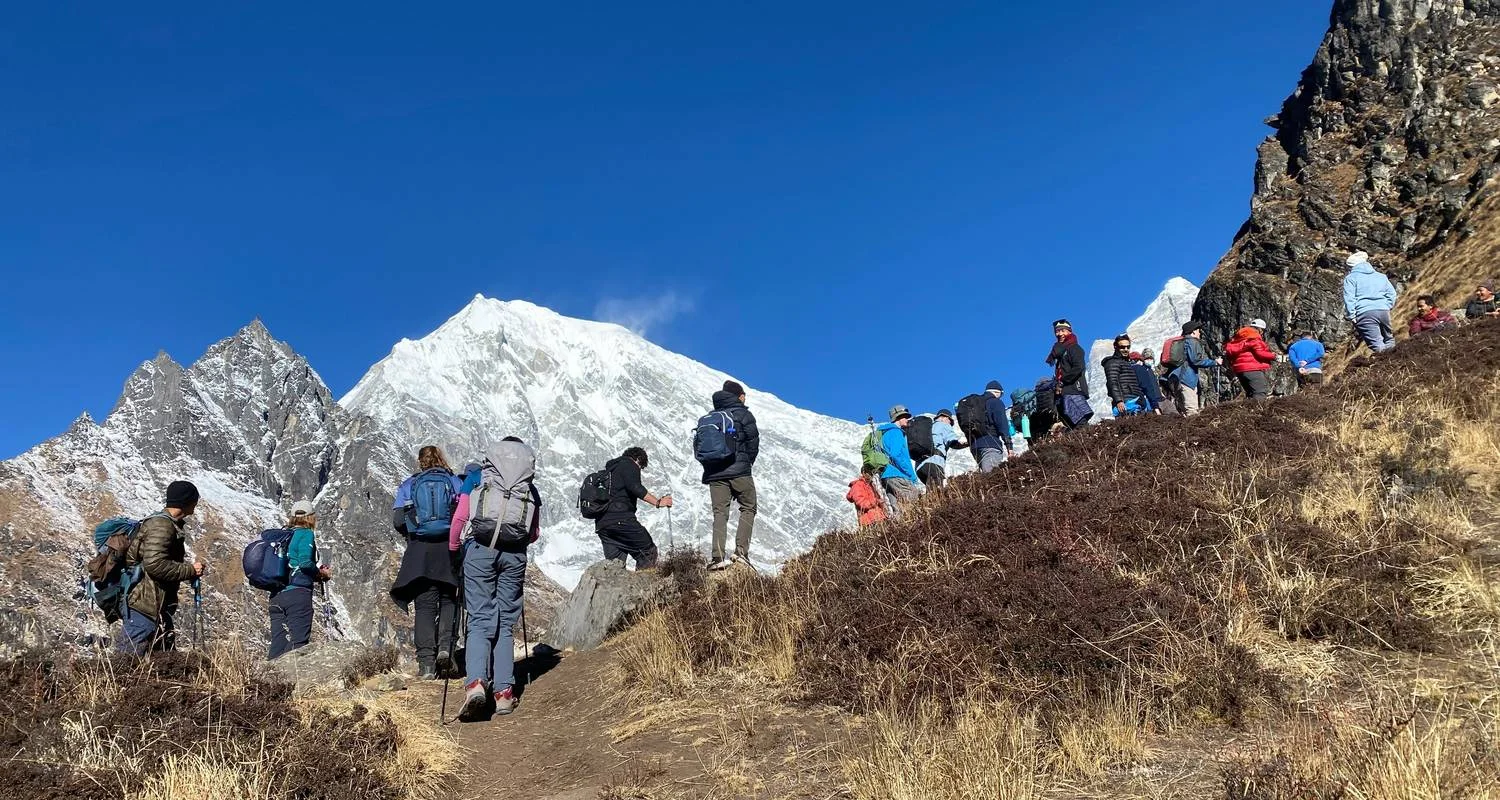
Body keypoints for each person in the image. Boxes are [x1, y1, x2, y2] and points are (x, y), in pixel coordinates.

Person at [451, 437, 541, 720]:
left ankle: (476, 684)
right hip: (514, 556)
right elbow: (534, 533)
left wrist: (454, 548)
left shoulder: (479, 477)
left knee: (480, 618)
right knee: (504, 622)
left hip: (480, 550)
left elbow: (460, 517)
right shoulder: (528, 487)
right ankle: (504, 693)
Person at [391, 445, 463, 680]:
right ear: (441, 458)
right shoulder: (454, 482)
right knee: (449, 600)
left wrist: (413, 532)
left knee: (424, 606)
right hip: (449, 549)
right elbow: (464, 514)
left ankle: (426, 666)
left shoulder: (409, 484)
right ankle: (446, 648)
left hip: (420, 552)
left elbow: (398, 520)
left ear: (420, 461)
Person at [118, 480, 206, 655]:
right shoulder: (162, 526)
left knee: (164, 660)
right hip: (145, 605)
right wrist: (190, 570)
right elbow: (155, 564)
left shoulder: (165, 523)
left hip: (154, 606)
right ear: (186, 501)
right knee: (127, 660)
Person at [702, 380, 759, 572]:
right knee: (748, 507)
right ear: (739, 396)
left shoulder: (712, 416)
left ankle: (717, 557)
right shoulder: (743, 414)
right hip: (739, 470)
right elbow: (753, 443)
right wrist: (746, 464)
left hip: (715, 473)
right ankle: (741, 553)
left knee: (720, 513)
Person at [268, 500, 331, 659]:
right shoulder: (305, 534)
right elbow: (304, 563)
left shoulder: (283, 536)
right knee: (298, 644)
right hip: (297, 595)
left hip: (276, 596)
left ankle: (270, 674)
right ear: (311, 517)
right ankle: (293, 675)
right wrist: (320, 573)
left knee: (278, 645)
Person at [596, 447, 673, 570]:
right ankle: (643, 583)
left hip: (603, 526)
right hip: (621, 520)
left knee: (614, 566)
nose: (639, 470)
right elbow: (635, 487)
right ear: (638, 459)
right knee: (648, 551)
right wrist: (658, 502)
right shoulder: (629, 464)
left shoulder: (610, 470)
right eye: (641, 467)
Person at [1343, 251, 1397, 353]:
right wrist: (1387, 306)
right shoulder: (1381, 276)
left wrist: (1352, 316)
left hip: (1364, 312)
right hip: (1383, 310)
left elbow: (1349, 298)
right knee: (1389, 338)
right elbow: (1392, 294)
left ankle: (1386, 361)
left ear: (1352, 267)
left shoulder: (1350, 278)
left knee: (1376, 343)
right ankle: (1396, 358)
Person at [1168, 321, 1221, 416]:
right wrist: (1214, 362)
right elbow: (1195, 360)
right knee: (1192, 410)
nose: (1200, 333)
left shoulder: (1182, 343)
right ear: (1193, 332)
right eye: (1198, 331)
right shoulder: (1192, 341)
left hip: (1175, 377)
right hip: (1186, 379)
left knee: (1183, 411)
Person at [1046, 319, 1092, 428]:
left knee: (1080, 420)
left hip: (1074, 389)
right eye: (1057, 331)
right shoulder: (1060, 352)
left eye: (1063, 330)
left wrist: (1062, 381)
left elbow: (1078, 367)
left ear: (1069, 331)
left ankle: (1089, 437)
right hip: (1064, 391)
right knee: (1071, 423)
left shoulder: (1074, 348)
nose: (1059, 334)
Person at [876, 406, 921, 516]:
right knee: (915, 501)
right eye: (904, 417)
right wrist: (910, 474)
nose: (907, 419)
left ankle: (900, 526)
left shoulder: (884, 434)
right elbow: (896, 455)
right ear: (898, 418)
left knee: (898, 510)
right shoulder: (896, 432)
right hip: (898, 474)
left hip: (886, 476)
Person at [1225, 319, 1280, 399]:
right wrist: (1274, 356)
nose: (1262, 333)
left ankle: (1250, 407)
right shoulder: (1254, 337)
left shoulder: (1239, 338)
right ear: (1260, 329)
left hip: (1239, 370)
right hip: (1252, 369)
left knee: (1250, 394)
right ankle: (1258, 407)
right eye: (1263, 331)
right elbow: (1260, 353)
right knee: (1259, 392)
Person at [968, 382, 1014, 472]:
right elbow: (1002, 424)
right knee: (992, 475)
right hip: (991, 444)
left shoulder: (976, 404)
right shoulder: (995, 402)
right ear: (998, 392)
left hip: (975, 446)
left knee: (985, 475)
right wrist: (1009, 446)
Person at [916, 409, 967, 489]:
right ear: (945, 417)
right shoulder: (943, 425)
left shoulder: (927, 427)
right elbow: (954, 442)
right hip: (934, 463)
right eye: (950, 421)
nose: (950, 424)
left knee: (932, 491)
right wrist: (969, 442)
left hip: (919, 467)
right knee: (939, 491)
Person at [1101, 335, 1148, 416]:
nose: (1126, 349)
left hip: (1134, 400)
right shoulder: (1112, 362)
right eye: (1122, 347)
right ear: (1115, 347)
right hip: (1125, 402)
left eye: (1128, 347)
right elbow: (1112, 382)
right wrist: (1119, 401)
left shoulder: (1125, 363)